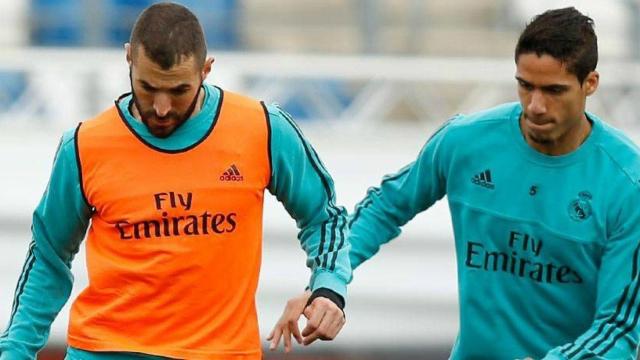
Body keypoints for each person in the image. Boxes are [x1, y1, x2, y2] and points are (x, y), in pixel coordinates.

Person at [269, 7, 640, 359]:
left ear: (590, 84)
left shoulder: (627, 183)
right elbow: (384, 207)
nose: (536, 105)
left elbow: (620, 327)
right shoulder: (467, 141)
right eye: (525, 86)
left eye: (554, 90)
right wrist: (327, 284)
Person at [0, 2, 350, 359]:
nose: (162, 108)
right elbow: (49, 256)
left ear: (206, 70)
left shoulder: (262, 128)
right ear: (128, 61)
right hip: (106, 350)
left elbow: (325, 217)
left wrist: (328, 287)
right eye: (148, 88)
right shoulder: (84, 145)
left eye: (179, 90)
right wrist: (14, 351)